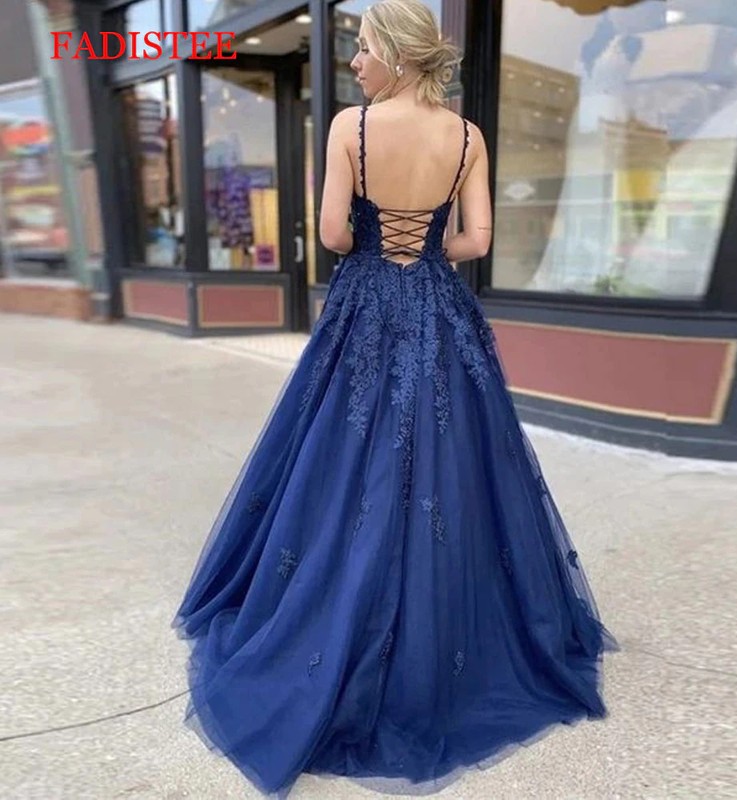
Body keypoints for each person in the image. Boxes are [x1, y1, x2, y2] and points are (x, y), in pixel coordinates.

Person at [171, 1, 616, 797]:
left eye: (364, 47)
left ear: (397, 55)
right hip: (439, 305)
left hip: (367, 304)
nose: (355, 61)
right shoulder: (468, 136)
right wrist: (429, 248)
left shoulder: (353, 127)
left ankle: (334, 601)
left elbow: (334, 235)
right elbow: (477, 240)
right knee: (451, 455)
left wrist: (378, 240)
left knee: (344, 449)